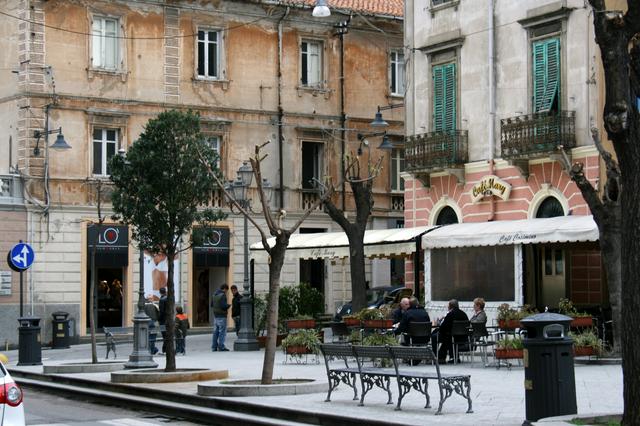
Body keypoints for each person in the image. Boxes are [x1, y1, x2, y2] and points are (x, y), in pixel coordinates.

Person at [431, 299, 469, 363]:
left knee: (434, 337)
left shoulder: (450, 314)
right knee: (446, 338)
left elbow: (443, 327)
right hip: (463, 337)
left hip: (451, 337)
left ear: (450, 306)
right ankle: (445, 357)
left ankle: (436, 356)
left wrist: (438, 328)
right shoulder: (464, 314)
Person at [211, 284, 230, 351]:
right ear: (225, 289)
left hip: (215, 316)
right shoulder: (223, 295)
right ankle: (221, 346)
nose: (226, 292)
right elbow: (223, 306)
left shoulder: (214, 295)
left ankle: (214, 346)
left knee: (215, 332)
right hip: (222, 316)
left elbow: (211, 305)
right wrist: (228, 305)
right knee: (222, 332)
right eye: (226, 290)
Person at [158, 287, 168, 353]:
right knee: (167, 335)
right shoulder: (168, 298)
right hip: (168, 319)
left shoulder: (162, 300)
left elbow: (161, 311)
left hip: (163, 320)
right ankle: (166, 349)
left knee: (164, 335)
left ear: (160, 292)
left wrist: (159, 318)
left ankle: (164, 349)